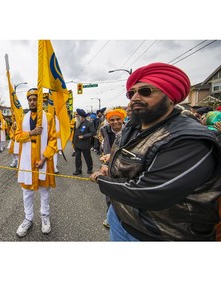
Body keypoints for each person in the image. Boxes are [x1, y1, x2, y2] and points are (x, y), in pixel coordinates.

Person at [90, 62, 221, 241]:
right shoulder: (132, 127)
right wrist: (109, 167)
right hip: (120, 219)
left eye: (145, 91)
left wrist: (100, 179)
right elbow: (122, 157)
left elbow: (150, 193)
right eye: (131, 93)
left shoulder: (188, 139)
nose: (135, 97)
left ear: (170, 97)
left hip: (158, 235)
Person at [15, 88, 57, 237]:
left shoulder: (49, 117)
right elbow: (17, 136)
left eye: (35, 99)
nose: (32, 102)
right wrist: (32, 133)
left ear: (40, 101)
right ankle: (28, 218)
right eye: (30, 99)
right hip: (27, 160)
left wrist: (44, 158)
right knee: (27, 191)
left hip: (42, 159)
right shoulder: (22, 118)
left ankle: (45, 216)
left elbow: (53, 140)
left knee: (44, 191)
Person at [98, 108, 127, 228]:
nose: (115, 122)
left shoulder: (131, 130)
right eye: (112, 120)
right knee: (109, 191)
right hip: (110, 164)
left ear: (123, 119)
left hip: (126, 165)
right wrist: (105, 164)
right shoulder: (105, 130)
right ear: (108, 121)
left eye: (118, 119)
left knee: (124, 191)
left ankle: (125, 218)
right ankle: (110, 216)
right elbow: (106, 147)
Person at [72, 108, 95, 175]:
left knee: (87, 157)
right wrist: (73, 141)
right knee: (77, 158)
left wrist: (84, 136)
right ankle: (78, 170)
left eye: (77, 115)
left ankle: (90, 169)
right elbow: (75, 133)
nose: (76, 116)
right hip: (77, 144)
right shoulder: (76, 123)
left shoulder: (89, 123)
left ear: (81, 116)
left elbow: (92, 132)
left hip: (85, 144)